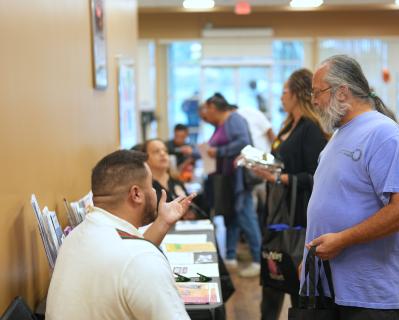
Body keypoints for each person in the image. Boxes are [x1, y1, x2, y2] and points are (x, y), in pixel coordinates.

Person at [304, 54, 399, 319]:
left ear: (342, 92)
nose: (313, 100)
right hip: (332, 283)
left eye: (317, 92)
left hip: (368, 295)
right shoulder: (340, 134)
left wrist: (343, 239)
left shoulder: (384, 134)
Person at [46, 150, 195, 320]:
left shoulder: (76, 236)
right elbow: (134, 262)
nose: (155, 192)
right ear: (136, 194)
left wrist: (163, 222)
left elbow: (126, 259)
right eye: (151, 185)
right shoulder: (142, 260)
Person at [251, 69, 328, 320]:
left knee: (295, 283)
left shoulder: (311, 128)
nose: (281, 97)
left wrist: (279, 177)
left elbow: (317, 176)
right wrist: (267, 165)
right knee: (272, 281)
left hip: (297, 215)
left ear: (296, 94)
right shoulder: (288, 124)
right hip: (277, 210)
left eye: (284, 91)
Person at [205, 93, 262, 277]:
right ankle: (230, 256)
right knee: (232, 217)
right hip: (227, 179)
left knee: (246, 217)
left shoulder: (234, 119)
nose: (205, 114)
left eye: (207, 109)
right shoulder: (220, 124)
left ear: (214, 107)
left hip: (239, 179)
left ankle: (258, 260)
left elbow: (244, 143)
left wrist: (220, 151)